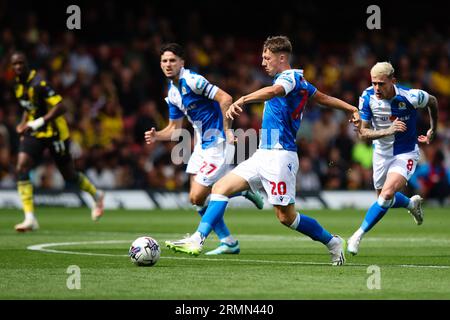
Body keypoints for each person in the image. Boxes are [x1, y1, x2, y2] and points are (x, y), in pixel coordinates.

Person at [165, 36, 360, 266]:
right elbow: (323, 98)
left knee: (286, 217)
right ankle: (198, 239)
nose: (263, 62)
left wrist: (245, 98)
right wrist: (350, 107)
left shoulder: (288, 78)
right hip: (263, 153)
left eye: (267, 58)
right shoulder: (301, 82)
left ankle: (332, 242)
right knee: (220, 188)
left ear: (281, 58)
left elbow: (274, 91)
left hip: (281, 156)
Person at [144, 43, 264, 255]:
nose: (168, 64)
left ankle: (204, 234)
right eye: (164, 61)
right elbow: (174, 129)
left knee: (202, 193)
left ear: (182, 62)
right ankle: (229, 240)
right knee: (195, 199)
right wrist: (157, 135)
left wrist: (227, 130)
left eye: (172, 60)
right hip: (201, 145)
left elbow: (225, 98)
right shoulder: (172, 92)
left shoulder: (193, 80)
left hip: (218, 143)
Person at [347, 62, 439, 255]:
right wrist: (387, 130)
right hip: (380, 154)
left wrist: (433, 129)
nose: (377, 88)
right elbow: (362, 133)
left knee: (386, 195)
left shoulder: (411, 96)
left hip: (405, 152)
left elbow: (433, 101)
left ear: (393, 81)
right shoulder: (367, 97)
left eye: (381, 83)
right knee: (383, 198)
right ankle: (410, 204)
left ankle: (357, 235)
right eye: (374, 83)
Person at [10, 52, 105, 232]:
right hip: (35, 132)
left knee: (69, 175)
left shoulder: (40, 83)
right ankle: (29, 218)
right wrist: (23, 124)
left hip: (55, 133)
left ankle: (96, 194)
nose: (18, 67)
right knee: (22, 166)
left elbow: (61, 107)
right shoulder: (17, 85)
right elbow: (28, 107)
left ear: (27, 64)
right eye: (14, 64)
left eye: (21, 63)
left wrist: (39, 122)